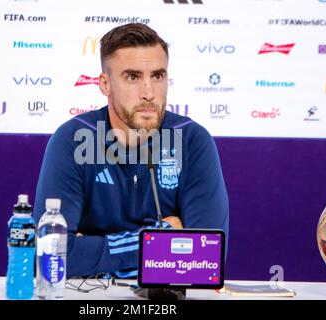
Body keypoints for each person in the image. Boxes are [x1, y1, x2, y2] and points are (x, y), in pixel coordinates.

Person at [34, 23, 229, 278]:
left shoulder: (192, 141)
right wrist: (159, 238)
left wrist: (93, 249)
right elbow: (50, 257)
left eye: (157, 76)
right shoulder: (72, 140)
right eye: (133, 77)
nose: (148, 93)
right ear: (105, 84)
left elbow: (206, 260)